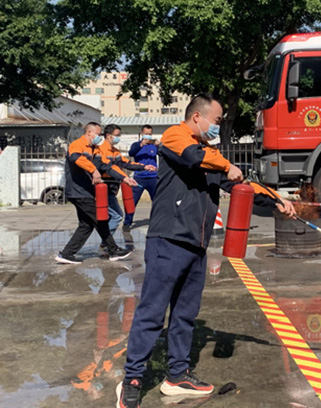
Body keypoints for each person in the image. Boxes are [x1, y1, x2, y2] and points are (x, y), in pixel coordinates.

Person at [116, 94, 296, 408]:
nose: (218, 125)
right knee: (152, 312)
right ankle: (132, 379)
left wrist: (276, 202)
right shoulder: (176, 137)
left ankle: (178, 375)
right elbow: (191, 157)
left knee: (185, 315)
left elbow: (239, 185)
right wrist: (227, 165)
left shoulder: (210, 154)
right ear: (197, 117)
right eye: (216, 120)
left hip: (196, 246)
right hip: (167, 241)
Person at [55, 122, 139, 264]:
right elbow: (76, 158)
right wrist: (93, 170)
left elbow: (107, 166)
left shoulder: (95, 150)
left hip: (86, 192)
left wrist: (124, 178)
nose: (99, 137)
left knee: (86, 225)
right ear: (89, 133)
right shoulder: (77, 145)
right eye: (98, 134)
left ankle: (67, 254)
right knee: (101, 219)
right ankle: (113, 250)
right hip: (78, 191)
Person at [98, 124, 155, 241]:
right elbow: (109, 168)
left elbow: (127, 163)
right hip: (104, 188)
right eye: (117, 135)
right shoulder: (101, 151)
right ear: (108, 136)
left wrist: (145, 167)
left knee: (110, 217)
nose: (119, 138)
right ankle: (107, 244)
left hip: (112, 188)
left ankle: (106, 244)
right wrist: (125, 178)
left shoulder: (115, 151)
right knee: (117, 215)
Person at [123, 125, 158, 230]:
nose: (148, 136)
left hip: (153, 177)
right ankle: (127, 222)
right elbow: (131, 153)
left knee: (157, 201)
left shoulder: (154, 146)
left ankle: (156, 221)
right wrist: (141, 144)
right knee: (132, 201)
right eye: (146, 133)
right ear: (142, 134)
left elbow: (165, 153)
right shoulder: (136, 145)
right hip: (139, 177)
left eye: (150, 134)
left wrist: (159, 145)